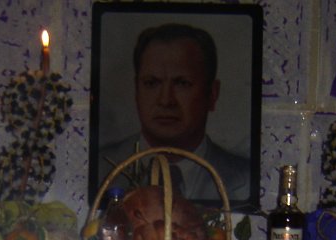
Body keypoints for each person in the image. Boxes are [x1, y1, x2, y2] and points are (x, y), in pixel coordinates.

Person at [98, 23, 251, 202]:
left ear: (212, 94)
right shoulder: (102, 169)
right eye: (151, 83)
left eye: (182, 83)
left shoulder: (245, 178)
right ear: (136, 90)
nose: (166, 100)